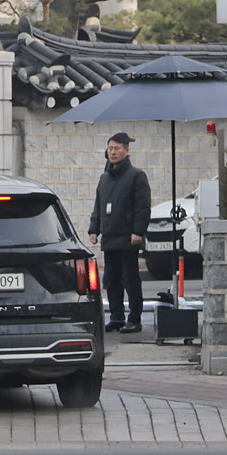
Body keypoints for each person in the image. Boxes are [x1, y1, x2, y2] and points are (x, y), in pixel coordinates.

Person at [86, 132, 151, 333]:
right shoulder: (104, 178)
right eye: (110, 148)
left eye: (117, 148)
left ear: (127, 150)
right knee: (111, 280)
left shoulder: (136, 176)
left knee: (130, 279)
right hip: (110, 237)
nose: (113, 152)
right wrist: (94, 229)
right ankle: (116, 316)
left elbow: (143, 207)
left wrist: (138, 231)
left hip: (128, 238)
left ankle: (135, 318)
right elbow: (98, 205)